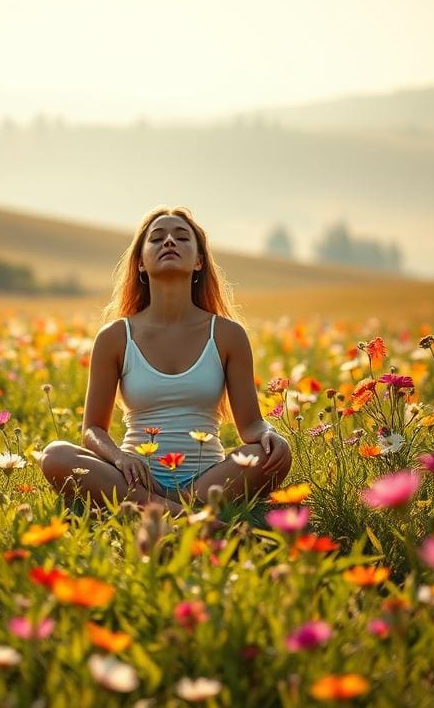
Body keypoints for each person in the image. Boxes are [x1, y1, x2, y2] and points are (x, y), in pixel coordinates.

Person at [38, 207, 292, 518]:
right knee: (55, 455)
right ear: (141, 263)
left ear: (199, 261)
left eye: (181, 237)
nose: (169, 241)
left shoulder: (227, 335)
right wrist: (118, 458)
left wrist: (269, 434)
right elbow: (92, 429)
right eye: (157, 238)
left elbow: (251, 425)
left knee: (272, 454)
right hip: (134, 479)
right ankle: (189, 518)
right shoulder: (115, 337)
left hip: (206, 480)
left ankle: (162, 511)